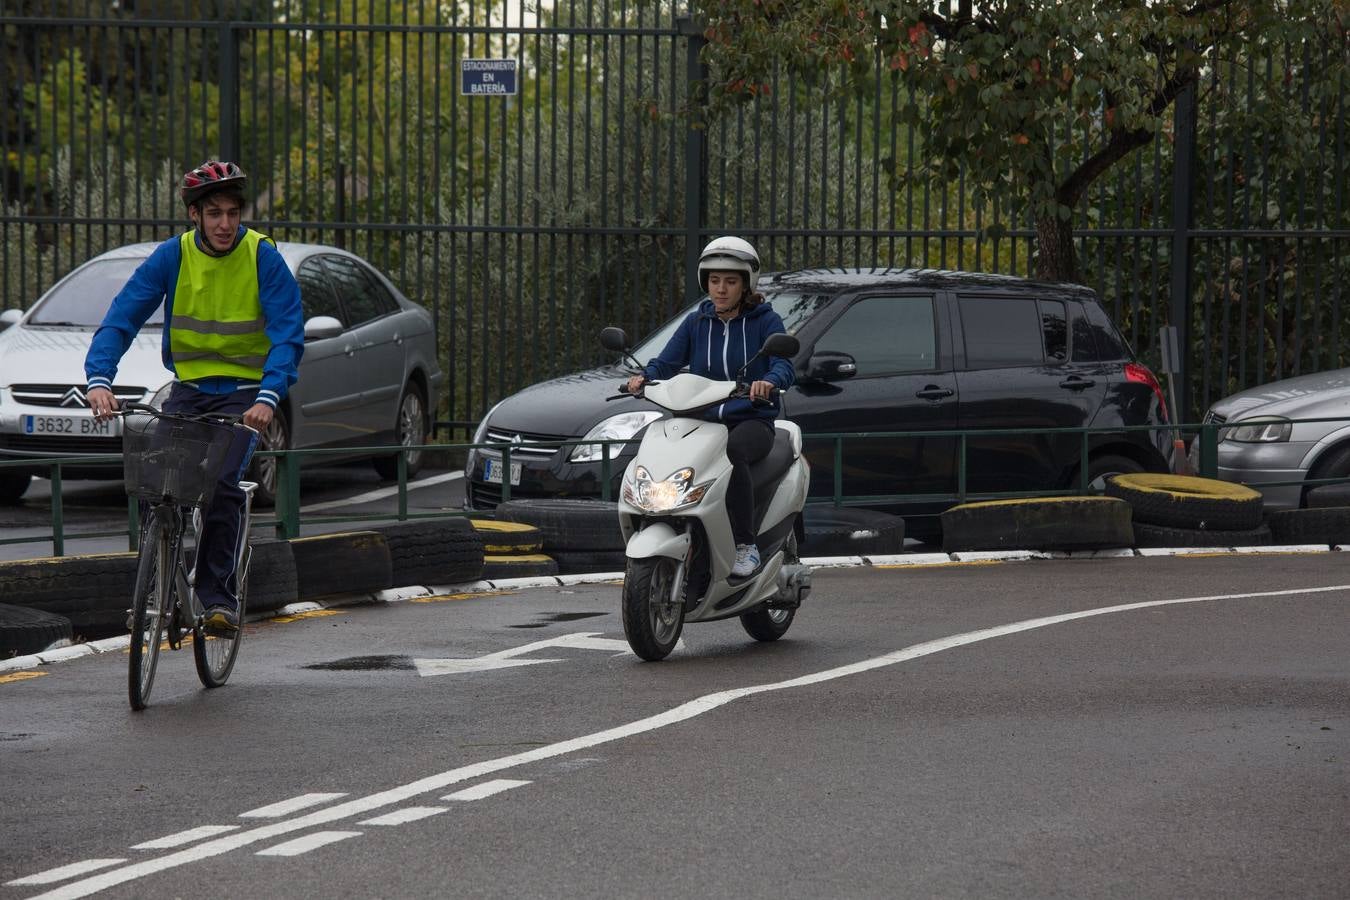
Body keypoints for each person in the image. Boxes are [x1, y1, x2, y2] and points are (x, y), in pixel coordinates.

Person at [85, 160, 304, 635]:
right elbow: (122, 316)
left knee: (222, 485)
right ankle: (159, 573)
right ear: (194, 216)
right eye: (214, 214)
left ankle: (217, 596)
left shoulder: (261, 256)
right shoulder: (173, 256)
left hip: (245, 395)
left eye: (232, 213)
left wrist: (268, 396)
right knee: (156, 481)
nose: (225, 224)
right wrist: (99, 379)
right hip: (187, 394)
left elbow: (288, 334)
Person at [626, 236, 794, 578]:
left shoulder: (765, 321)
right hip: (701, 423)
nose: (721, 289)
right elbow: (666, 363)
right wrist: (644, 378)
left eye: (730, 282)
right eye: (715, 281)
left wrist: (769, 381)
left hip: (751, 421)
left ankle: (746, 546)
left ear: (745, 285)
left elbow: (784, 365)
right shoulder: (696, 323)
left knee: (733, 453)